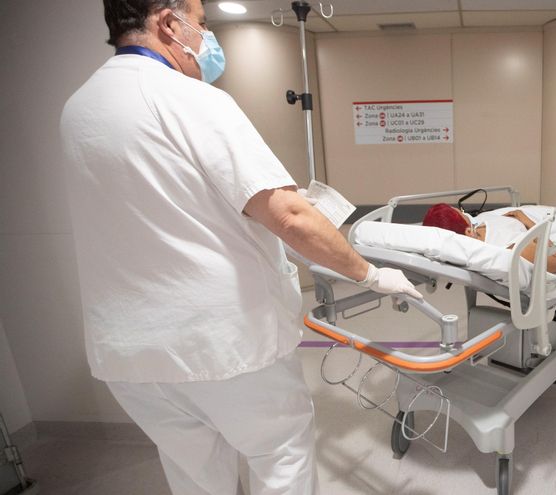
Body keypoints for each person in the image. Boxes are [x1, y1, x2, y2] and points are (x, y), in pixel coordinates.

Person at [59, 1, 421, 494]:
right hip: (223, 345)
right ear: (169, 24)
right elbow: (290, 217)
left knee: (194, 472)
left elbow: (162, 203)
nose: (207, 39)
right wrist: (371, 274)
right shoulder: (190, 98)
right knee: (279, 455)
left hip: (131, 356)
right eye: (202, 24)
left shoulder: (80, 108)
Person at [422, 203, 556, 273]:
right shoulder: (505, 250)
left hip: (538, 212)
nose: (465, 213)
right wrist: (528, 222)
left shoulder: (478, 225)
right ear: (468, 232)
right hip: (555, 222)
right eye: (462, 212)